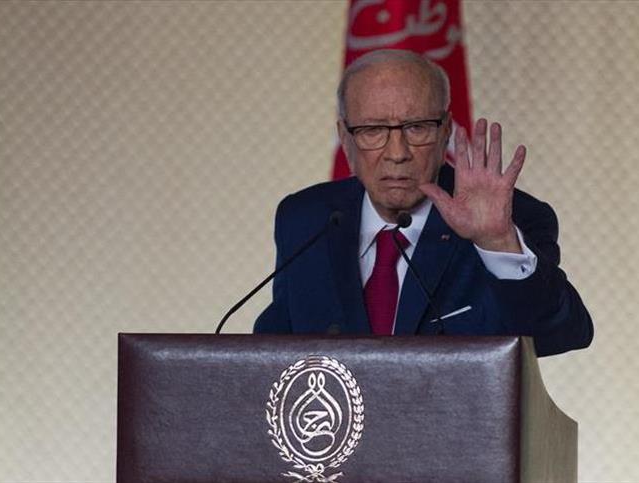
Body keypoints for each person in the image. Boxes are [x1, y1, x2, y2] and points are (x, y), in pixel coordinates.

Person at [253, 49, 592, 356]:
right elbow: (273, 351)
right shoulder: (306, 219)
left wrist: (496, 242)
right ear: (345, 138)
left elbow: (561, 334)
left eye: (417, 128)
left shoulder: (508, 219)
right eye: (373, 130)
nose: (397, 153)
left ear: (445, 132)